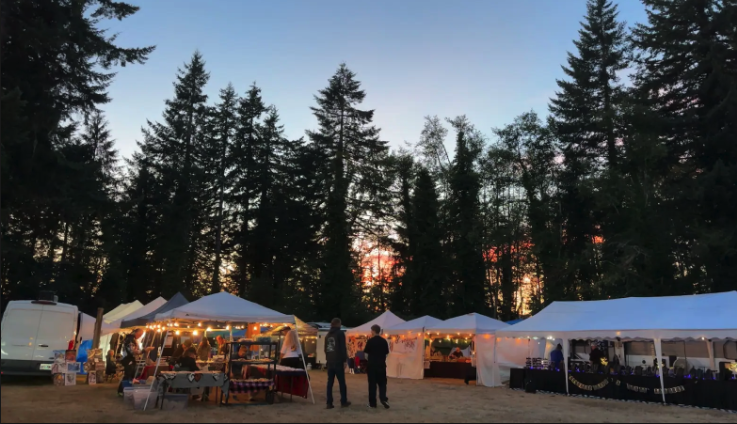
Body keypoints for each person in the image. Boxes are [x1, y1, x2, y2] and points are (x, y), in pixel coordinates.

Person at [325, 318, 351, 410]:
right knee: (342, 382)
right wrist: (345, 360)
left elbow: (325, 349)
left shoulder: (327, 335)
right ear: (338, 324)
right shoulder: (340, 333)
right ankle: (343, 401)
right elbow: (342, 347)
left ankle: (329, 403)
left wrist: (328, 359)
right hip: (338, 360)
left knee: (330, 383)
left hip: (330, 361)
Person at [363, 325, 390, 410]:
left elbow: (366, 355)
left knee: (372, 385)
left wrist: (370, 360)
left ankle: (372, 403)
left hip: (372, 366)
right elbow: (387, 354)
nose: (371, 332)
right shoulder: (384, 341)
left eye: (371, 330)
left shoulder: (370, 341)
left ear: (374, 331)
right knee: (382, 384)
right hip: (381, 365)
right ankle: (383, 398)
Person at [117, 328, 143, 395]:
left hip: (129, 359)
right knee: (128, 375)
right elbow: (132, 351)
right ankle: (122, 390)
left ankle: (126, 390)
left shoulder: (130, 339)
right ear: (137, 332)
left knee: (131, 375)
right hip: (128, 359)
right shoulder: (131, 339)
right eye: (140, 334)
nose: (140, 336)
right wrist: (143, 351)